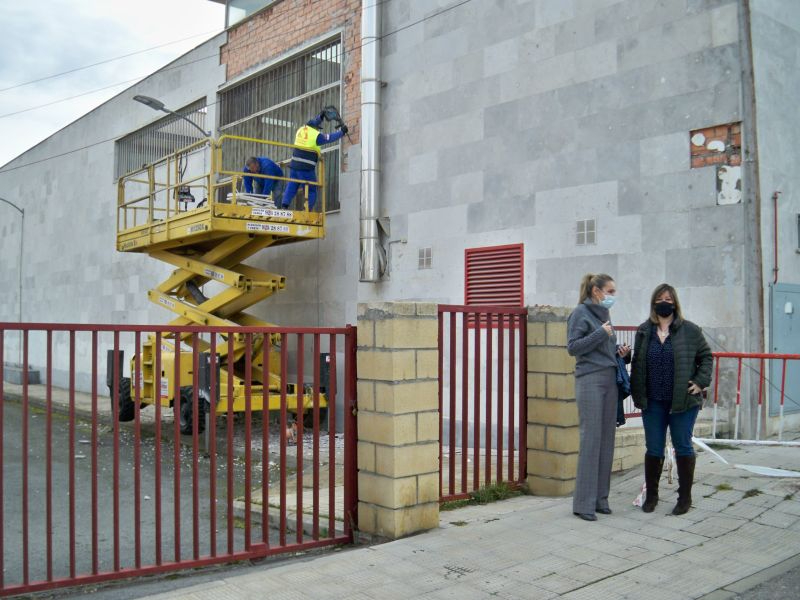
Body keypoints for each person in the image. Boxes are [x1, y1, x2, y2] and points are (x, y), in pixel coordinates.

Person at [630, 283, 713, 515]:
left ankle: (684, 498)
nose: (663, 302)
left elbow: (706, 357)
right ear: (653, 303)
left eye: (668, 298)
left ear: (675, 302)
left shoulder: (690, 330)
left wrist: (700, 382)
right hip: (653, 402)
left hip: (682, 401)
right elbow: (637, 362)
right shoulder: (644, 331)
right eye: (659, 299)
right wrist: (637, 392)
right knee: (653, 448)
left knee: (682, 446)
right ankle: (652, 496)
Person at [567, 273, 630, 521]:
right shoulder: (580, 313)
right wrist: (600, 334)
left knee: (606, 440)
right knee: (591, 440)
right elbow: (573, 347)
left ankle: (601, 499)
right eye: (610, 291)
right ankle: (583, 504)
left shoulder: (605, 314)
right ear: (596, 291)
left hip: (609, 378)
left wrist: (619, 352)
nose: (613, 296)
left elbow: (602, 349)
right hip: (590, 380)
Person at [280, 112, 347, 211]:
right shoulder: (315, 135)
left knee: (292, 184)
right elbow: (329, 138)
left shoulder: (301, 129)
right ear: (315, 128)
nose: (317, 130)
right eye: (317, 128)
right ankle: (307, 209)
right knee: (311, 190)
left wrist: (321, 117)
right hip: (306, 168)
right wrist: (342, 132)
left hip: (294, 166)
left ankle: (284, 205)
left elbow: (313, 122)